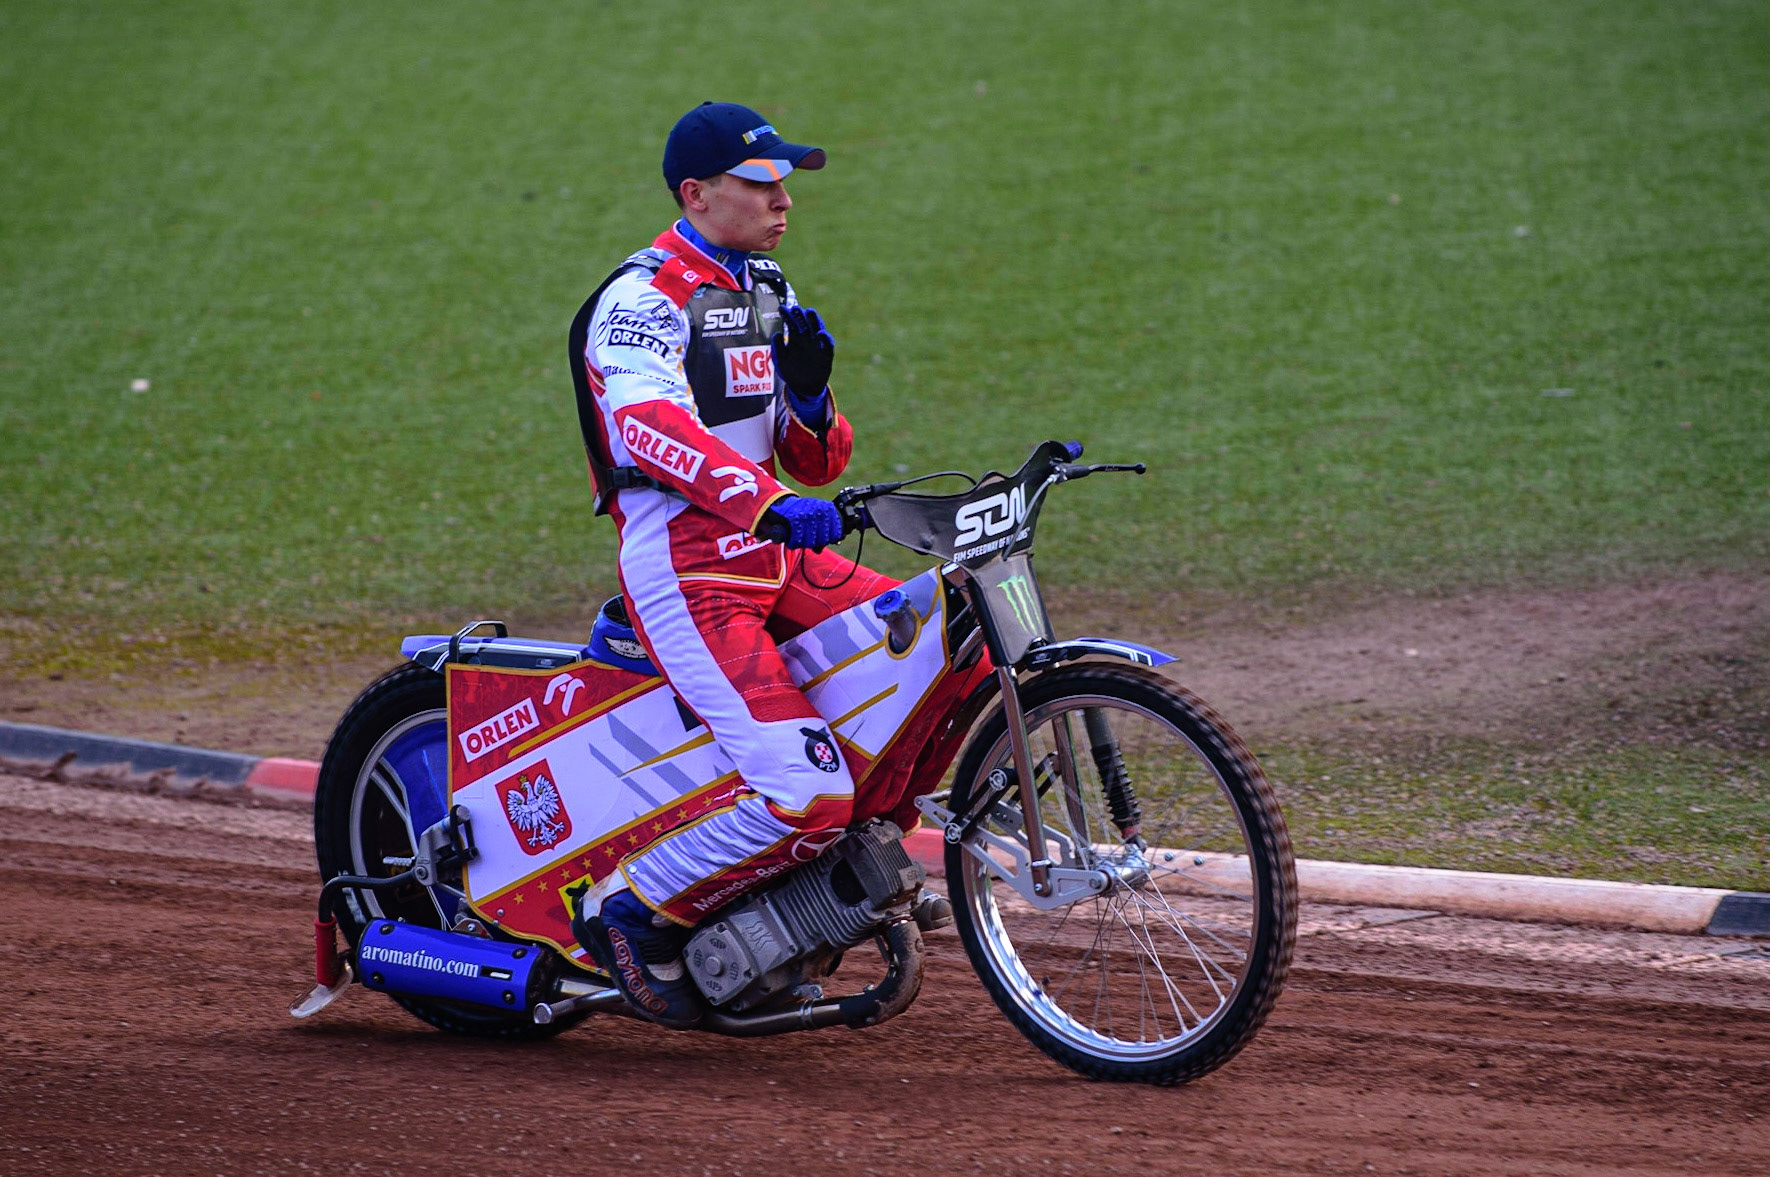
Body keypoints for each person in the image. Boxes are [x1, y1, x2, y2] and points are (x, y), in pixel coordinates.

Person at [566, 102, 898, 1028]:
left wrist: (812, 393)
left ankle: (800, 907)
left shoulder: (766, 287)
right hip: (688, 568)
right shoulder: (638, 299)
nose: (784, 198)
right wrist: (763, 502)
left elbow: (814, 464)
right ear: (697, 193)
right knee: (812, 791)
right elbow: (647, 426)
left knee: (924, 657)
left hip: (772, 554)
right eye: (762, 184)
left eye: (786, 181)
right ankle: (632, 912)